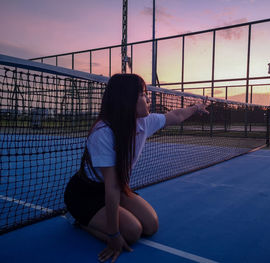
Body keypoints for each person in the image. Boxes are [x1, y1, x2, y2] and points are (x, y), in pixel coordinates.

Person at [64, 74, 208, 262]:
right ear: (127, 99)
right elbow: (112, 187)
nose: (148, 99)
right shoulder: (103, 133)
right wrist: (113, 235)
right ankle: (78, 219)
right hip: (86, 193)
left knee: (151, 225)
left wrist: (197, 108)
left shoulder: (144, 123)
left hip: (116, 187)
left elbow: (176, 116)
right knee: (132, 232)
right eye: (142, 94)